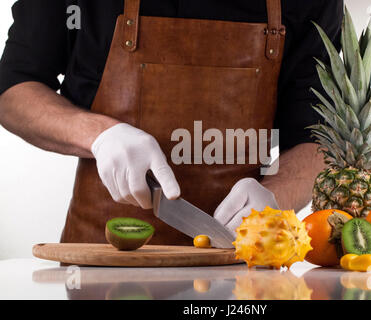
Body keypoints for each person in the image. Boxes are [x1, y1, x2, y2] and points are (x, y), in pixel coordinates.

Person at [0, 0, 343, 244]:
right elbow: (13, 90)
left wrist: (275, 196)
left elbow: (320, 135)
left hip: (241, 265)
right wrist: (99, 136)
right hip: (101, 263)